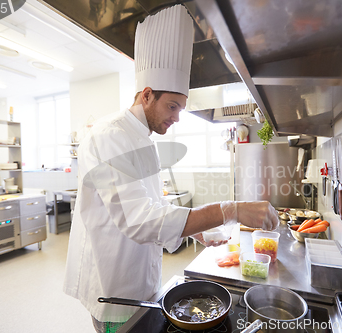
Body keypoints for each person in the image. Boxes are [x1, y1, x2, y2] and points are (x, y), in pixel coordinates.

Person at [63, 5, 279, 333]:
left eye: (181, 108)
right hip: (114, 283)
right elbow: (140, 220)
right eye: (172, 106)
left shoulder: (144, 141)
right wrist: (231, 210)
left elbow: (156, 207)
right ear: (146, 95)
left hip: (142, 279)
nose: (177, 117)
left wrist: (198, 230)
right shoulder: (109, 136)